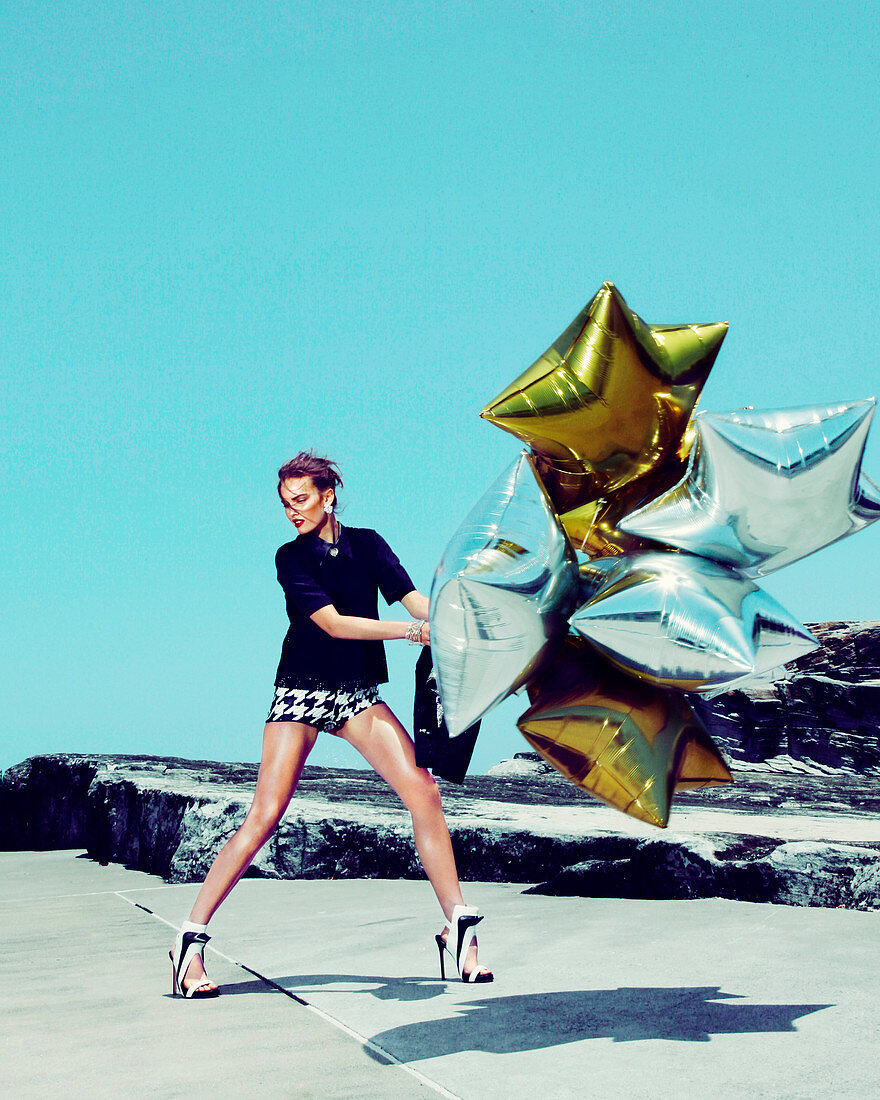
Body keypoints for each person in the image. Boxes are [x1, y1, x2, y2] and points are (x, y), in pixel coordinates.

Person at [169, 452, 492, 998]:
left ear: (328, 496)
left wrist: (453, 622)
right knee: (265, 816)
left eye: (301, 500)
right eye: (285, 504)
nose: (292, 512)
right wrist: (412, 635)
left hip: (356, 696)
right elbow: (335, 625)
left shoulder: (367, 543)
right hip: (300, 692)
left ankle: (457, 927)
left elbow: (412, 600)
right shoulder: (289, 558)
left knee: (423, 792)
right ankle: (190, 941)